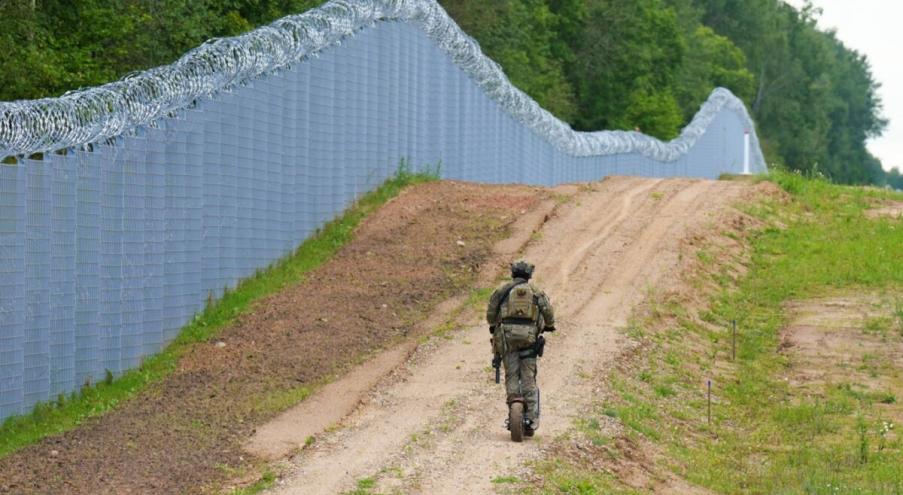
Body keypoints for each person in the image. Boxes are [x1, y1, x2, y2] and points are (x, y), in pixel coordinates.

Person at [486, 260, 555, 435]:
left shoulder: (501, 290)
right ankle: (531, 418)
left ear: (513, 273)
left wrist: (495, 325)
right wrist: (549, 325)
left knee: (511, 374)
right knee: (528, 377)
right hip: (530, 340)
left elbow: (491, 314)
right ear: (529, 275)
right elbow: (548, 312)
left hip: (506, 339)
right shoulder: (536, 292)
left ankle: (513, 407)